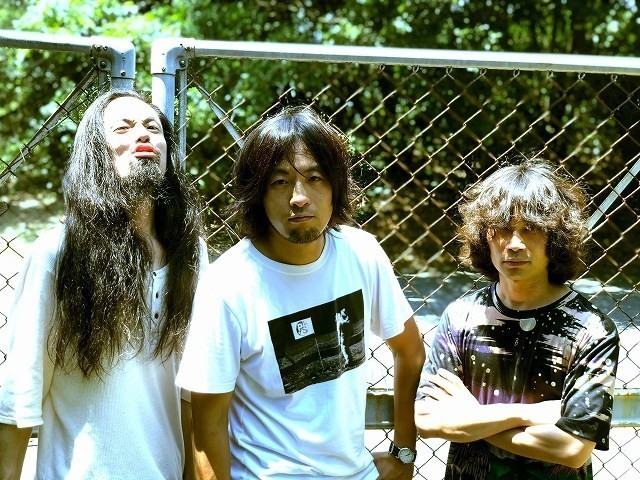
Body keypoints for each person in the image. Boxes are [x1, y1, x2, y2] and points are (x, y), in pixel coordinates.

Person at [176, 105, 425, 480]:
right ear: (258, 194)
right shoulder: (228, 284)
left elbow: (410, 350)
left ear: (335, 186)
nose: (299, 197)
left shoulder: (362, 254)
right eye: (280, 182)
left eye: (315, 178)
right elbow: (205, 424)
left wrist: (404, 453)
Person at [0, 90, 206, 479]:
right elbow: (20, 394)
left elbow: (195, 389)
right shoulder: (57, 254)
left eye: (153, 127)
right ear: (95, 151)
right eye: (123, 128)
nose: (143, 135)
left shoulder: (190, 252)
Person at [414, 159, 620, 480]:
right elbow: (427, 421)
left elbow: (573, 448)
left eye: (531, 229)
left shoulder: (590, 329)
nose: (514, 244)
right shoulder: (460, 316)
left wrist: (471, 418)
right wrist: (529, 414)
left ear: (556, 237)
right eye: (502, 228)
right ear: (484, 235)